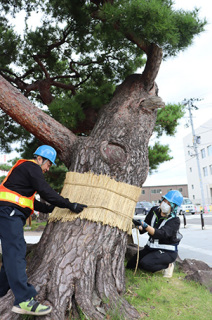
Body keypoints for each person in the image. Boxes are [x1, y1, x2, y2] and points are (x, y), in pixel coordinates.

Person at [0, 145, 87, 316]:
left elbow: (35, 203)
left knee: (11, 255)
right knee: (16, 252)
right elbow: (46, 192)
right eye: (48, 165)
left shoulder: (24, 174)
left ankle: (1, 291)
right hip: (8, 213)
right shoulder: (32, 167)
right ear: (40, 159)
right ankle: (24, 300)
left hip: (6, 212)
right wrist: (69, 204)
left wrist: (54, 209)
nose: (48, 169)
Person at [127, 190, 183, 278]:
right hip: (150, 248)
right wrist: (137, 226)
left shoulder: (175, 221)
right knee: (131, 265)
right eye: (164, 201)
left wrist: (145, 226)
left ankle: (167, 266)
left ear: (174, 207)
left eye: (169, 203)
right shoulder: (154, 211)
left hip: (167, 252)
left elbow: (160, 234)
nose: (165, 204)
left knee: (145, 264)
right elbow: (144, 229)